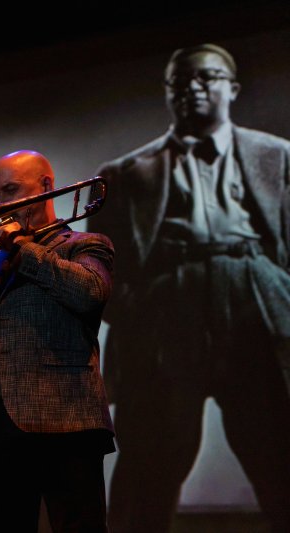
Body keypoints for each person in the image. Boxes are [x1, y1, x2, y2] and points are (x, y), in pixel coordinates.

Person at [87, 43, 290, 533]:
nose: (192, 89)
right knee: (150, 465)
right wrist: (138, 308)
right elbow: (98, 262)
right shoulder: (123, 174)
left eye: (207, 77)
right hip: (167, 310)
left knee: (279, 453)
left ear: (233, 88)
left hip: (254, 295)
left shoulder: (279, 156)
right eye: (180, 83)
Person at [0, 150, 115, 532]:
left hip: (66, 424)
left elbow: (91, 292)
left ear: (46, 186)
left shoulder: (84, 244)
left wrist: (23, 249)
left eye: (10, 191)